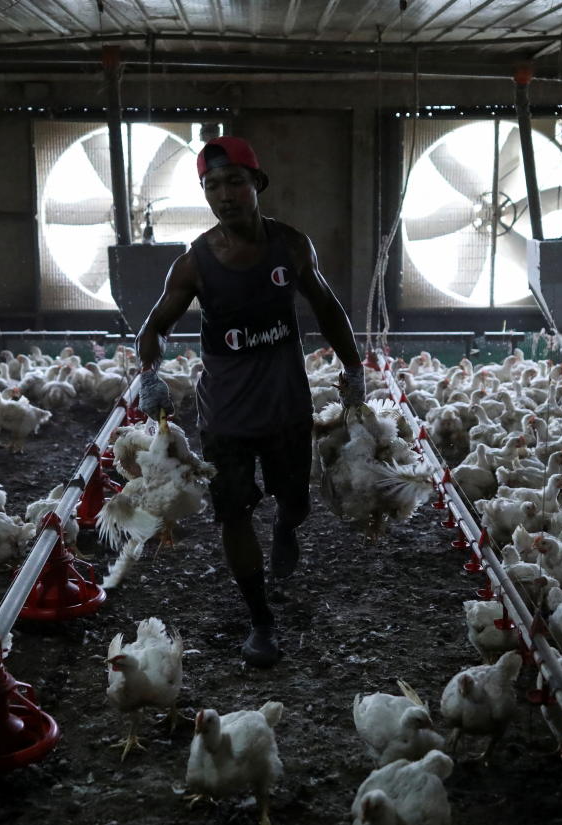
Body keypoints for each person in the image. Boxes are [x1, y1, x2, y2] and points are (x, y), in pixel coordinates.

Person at [135, 136, 364, 668]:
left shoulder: (291, 246)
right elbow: (155, 327)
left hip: (285, 403)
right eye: (212, 186)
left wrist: (354, 369)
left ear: (256, 184)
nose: (224, 195)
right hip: (227, 415)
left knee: (296, 501)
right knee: (233, 515)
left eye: (234, 182)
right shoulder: (194, 263)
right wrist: (150, 374)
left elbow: (328, 308)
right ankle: (260, 621)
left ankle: (286, 527)